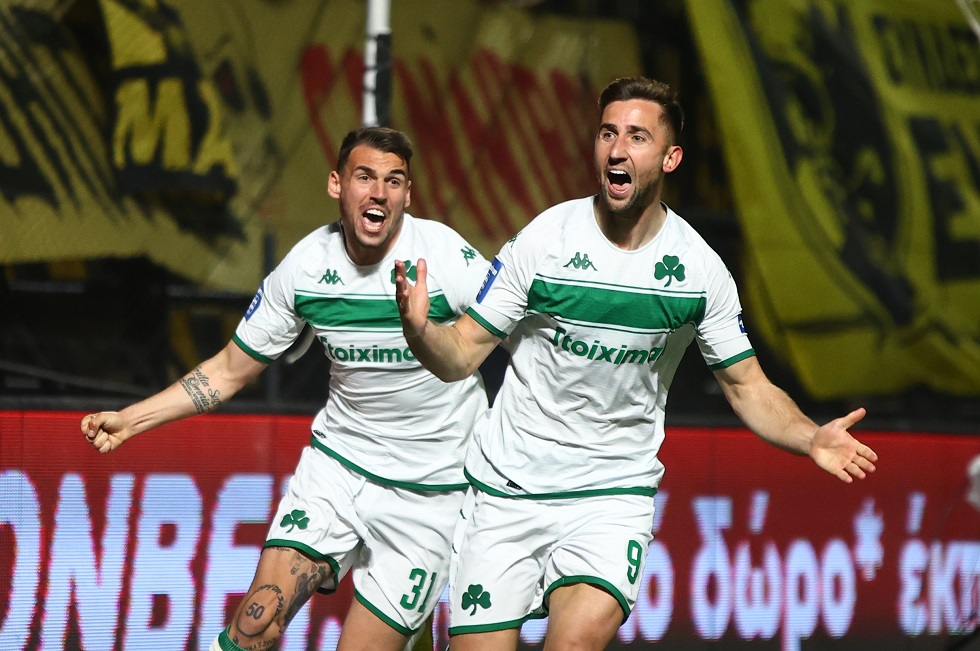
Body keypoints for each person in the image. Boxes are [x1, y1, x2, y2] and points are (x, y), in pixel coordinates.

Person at [393, 76, 879, 651]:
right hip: (507, 488)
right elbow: (459, 356)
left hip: (611, 495)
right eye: (607, 134)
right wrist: (420, 330)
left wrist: (809, 437)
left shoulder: (696, 269)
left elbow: (747, 386)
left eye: (637, 137)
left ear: (671, 158)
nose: (617, 150)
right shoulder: (545, 241)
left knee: (573, 644)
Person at [81, 127, 492, 651]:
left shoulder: (446, 258)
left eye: (393, 181)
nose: (378, 193)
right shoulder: (306, 268)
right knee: (255, 624)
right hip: (338, 471)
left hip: (432, 491)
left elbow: (521, 335)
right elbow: (228, 371)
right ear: (336, 184)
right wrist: (131, 420)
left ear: (407, 195)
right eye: (364, 177)